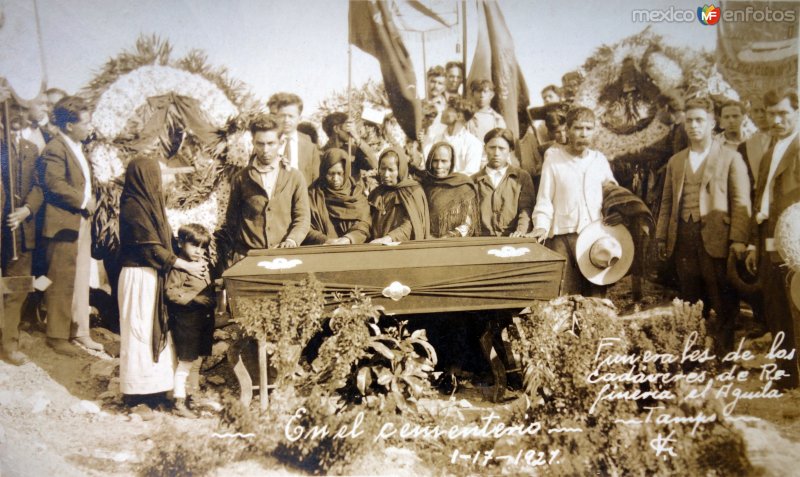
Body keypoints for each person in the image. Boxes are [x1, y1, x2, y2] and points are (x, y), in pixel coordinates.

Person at [655, 97, 751, 353]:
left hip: (717, 237)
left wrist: (738, 240)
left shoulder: (730, 158)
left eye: (700, 120)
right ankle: (695, 354)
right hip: (683, 238)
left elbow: (741, 202)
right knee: (690, 298)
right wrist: (662, 237)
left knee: (723, 298)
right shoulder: (676, 161)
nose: (694, 126)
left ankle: (725, 355)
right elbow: (666, 202)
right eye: (690, 121)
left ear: (712, 123)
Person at [117, 158, 204, 416]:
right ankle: (135, 397)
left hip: (152, 276)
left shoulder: (151, 205)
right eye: (160, 173)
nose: (164, 178)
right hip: (138, 277)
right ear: (147, 176)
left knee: (154, 332)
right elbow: (149, 247)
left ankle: (154, 392)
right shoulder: (134, 207)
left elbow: (164, 242)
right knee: (139, 334)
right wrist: (184, 266)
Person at [530, 107, 618, 297]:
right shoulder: (554, 160)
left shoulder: (599, 160)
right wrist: (541, 227)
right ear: (568, 129)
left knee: (596, 295)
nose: (583, 134)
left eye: (588, 128)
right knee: (566, 295)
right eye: (578, 128)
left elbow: (613, 195)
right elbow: (544, 199)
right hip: (563, 237)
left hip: (595, 237)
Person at [745, 88, 800, 389]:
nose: (777, 120)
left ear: (796, 112)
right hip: (767, 238)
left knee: (797, 306)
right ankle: (785, 375)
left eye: (784, 114)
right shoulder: (768, 153)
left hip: (794, 240)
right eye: (771, 114)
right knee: (775, 307)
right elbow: (759, 201)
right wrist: (754, 243)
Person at [40, 96, 103, 355]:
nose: (90, 127)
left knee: (80, 278)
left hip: (81, 221)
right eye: (85, 122)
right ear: (68, 126)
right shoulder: (55, 148)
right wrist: (82, 201)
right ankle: (56, 335)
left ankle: (80, 331)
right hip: (64, 222)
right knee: (61, 278)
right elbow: (53, 184)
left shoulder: (76, 147)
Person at [225, 115, 310, 257]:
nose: (265, 150)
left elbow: (303, 218)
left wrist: (291, 240)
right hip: (249, 256)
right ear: (253, 142)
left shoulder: (294, 177)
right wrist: (241, 248)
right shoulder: (241, 178)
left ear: (281, 142)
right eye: (260, 143)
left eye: (271, 143)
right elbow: (232, 219)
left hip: (285, 255)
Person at [1, 108, 43, 365]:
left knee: (17, 290)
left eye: (20, 128)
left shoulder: (30, 149)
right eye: (10, 128)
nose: (15, 134)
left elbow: (39, 186)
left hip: (21, 233)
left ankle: (10, 344)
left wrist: (26, 210)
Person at [165, 223, 215, 418]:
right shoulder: (179, 267)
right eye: (194, 246)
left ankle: (191, 396)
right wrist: (193, 299)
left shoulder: (205, 265)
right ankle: (179, 400)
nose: (198, 251)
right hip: (187, 321)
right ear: (181, 243)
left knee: (196, 361)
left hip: (202, 321)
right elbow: (171, 292)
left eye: (203, 247)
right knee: (186, 362)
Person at [472, 128, 534, 237]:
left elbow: (526, 209)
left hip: (513, 239)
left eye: (502, 148)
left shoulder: (522, 178)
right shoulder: (473, 180)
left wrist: (521, 231)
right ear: (485, 148)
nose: (496, 153)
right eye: (492, 148)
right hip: (482, 241)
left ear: (510, 150)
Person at [305, 148, 371, 245]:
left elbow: (364, 224)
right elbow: (304, 226)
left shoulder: (356, 193)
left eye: (340, 174)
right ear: (323, 172)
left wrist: (349, 239)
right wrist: (325, 240)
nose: (335, 179)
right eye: (331, 174)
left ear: (346, 172)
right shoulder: (312, 195)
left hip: (352, 248)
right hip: (322, 248)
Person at [369, 148, 430, 244]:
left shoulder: (413, 191)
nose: (386, 174)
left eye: (391, 170)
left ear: (400, 170)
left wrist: (389, 238)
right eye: (383, 169)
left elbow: (412, 223)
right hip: (377, 248)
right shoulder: (376, 193)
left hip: (402, 250)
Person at [421, 142, 479, 238]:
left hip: (455, 242)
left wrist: (452, 235)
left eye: (444, 161)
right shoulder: (424, 184)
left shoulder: (463, 185)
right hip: (427, 241)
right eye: (435, 160)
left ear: (451, 162)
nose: (439, 166)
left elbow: (469, 223)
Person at [270, 92, 320, 186]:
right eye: (282, 116)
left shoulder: (310, 148)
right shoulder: (266, 142)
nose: (286, 120)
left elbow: (315, 180)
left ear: (299, 118)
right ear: (276, 117)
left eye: (291, 116)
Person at [427, 96, 483, 175]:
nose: (443, 111)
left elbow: (470, 173)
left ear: (459, 116)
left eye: (448, 109)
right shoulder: (436, 139)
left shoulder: (473, 143)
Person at [321, 112, 378, 180]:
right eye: (348, 126)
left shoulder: (353, 150)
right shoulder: (322, 153)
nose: (351, 131)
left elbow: (375, 165)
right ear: (336, 128)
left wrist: (357, 138)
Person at [738, 95, 772, 186]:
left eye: (763, 110)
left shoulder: (782, 139)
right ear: (750, 114)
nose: (760, 115)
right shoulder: (745, 146)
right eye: (756, 111)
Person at [467, 79, 506, 148]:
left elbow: (502, 143)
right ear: (473, 94)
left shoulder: (497, 119)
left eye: (485, 92)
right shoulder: (467, 117)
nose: (482, 95)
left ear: (491, 95)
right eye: (478, 91)